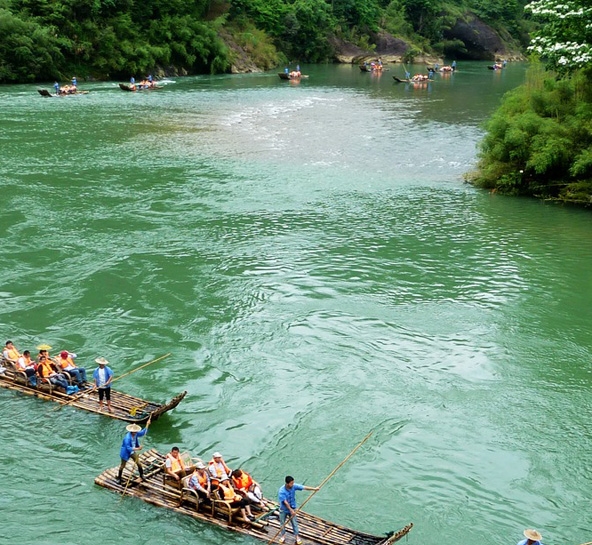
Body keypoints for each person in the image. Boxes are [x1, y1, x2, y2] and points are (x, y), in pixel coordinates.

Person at [278, 476, 319, 544]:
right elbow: (285, 502)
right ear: (287, 483)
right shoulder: (281, 491)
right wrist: (291, 510)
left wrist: (314, 489)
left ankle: (297, 537)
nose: (293, 484)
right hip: (284, 509)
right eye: (291, 483)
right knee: (282, 523)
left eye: (293, 483)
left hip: (292, 507)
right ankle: (283, 536)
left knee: (294, 523)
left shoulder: (293, 486)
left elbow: (303, 487)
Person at [117, 418, 151, 483]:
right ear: (131, 431)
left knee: (139, 463)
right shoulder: (127, 438)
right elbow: (128, 448)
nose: (135, 433)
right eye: (134, 432)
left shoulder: (136, 434)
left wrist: (147, 424)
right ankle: (119, 478)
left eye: (136, 431)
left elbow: (143, 433)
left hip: (132, 452)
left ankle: (141, 475)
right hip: (126, 453)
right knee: (122, 466)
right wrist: (138, 449)